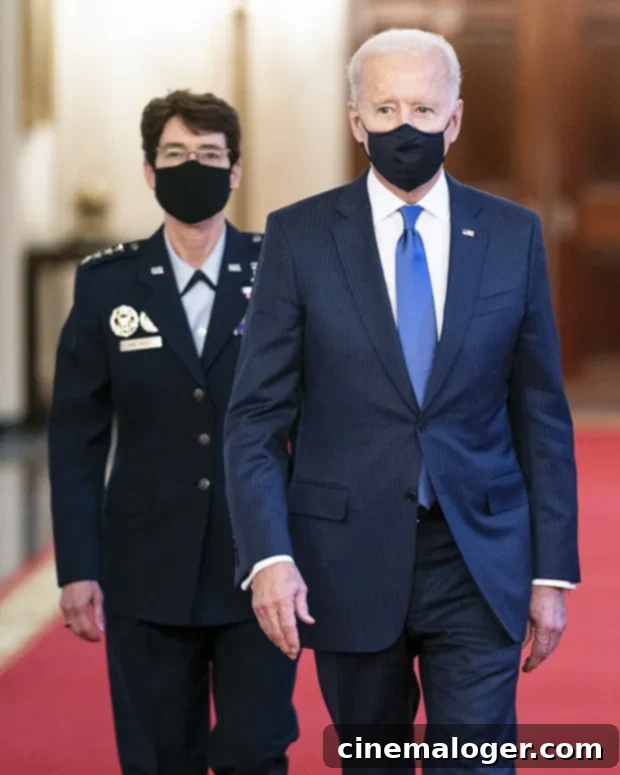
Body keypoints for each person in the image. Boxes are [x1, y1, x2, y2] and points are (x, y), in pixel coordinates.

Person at [224, 29, 580, 774]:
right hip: (344, 559)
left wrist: (553, 572)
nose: (405, 126)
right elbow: (256, 415)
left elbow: (540, 412)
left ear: (455, 118)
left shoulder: (512, 236)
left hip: (477, 555)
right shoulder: (299, 237)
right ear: (356, 121)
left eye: (423, 106)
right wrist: (269, 552)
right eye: (385, 107)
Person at [48, 90, 297, 775]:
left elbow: (315, 415)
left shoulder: (281, 271)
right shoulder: (109, 285)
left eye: (211, 155)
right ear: (150, 171)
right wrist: (78, 566)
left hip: (260, 568)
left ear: (236, 170)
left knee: (256, 750)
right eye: (177, 155)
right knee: (160, 758)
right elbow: (76, 436)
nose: (196, 167)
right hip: (145, 570)